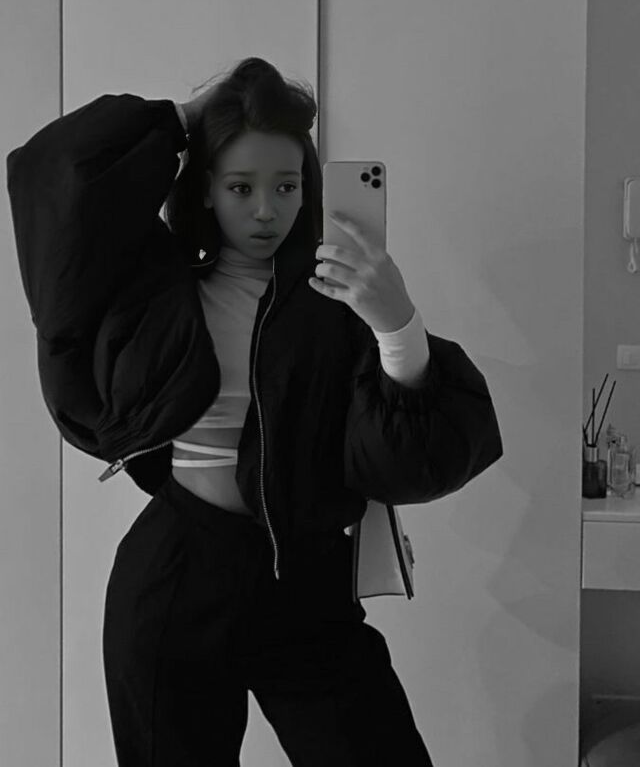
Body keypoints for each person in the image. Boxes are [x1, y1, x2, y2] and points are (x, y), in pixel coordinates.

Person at [6, 56, 503, 767]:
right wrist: (187, 119)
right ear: (207, 189)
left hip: (306, 583)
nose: (266, 209)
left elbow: (412, 461)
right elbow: (54, 174)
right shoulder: (158, 294)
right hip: (176, 577)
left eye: (286, 186)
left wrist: (398, 325)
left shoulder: (340, 305)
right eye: (241, 186)